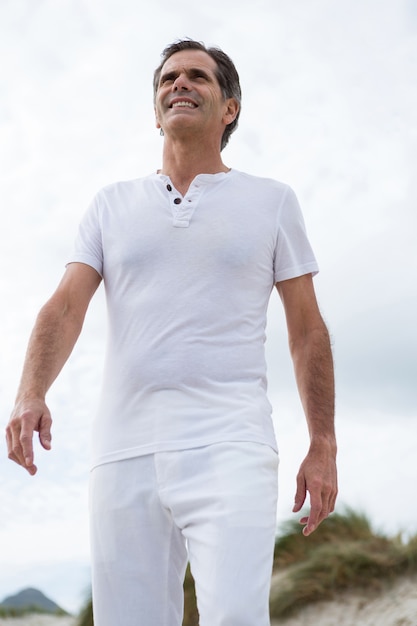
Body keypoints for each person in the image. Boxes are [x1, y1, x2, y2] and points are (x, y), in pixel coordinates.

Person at [6, 39, 337, 626]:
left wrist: (323, 443)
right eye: (168, 79)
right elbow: (63, 309)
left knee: (236, 617)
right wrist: (30, 391)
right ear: (156, 110)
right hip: (122, 452)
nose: (179, 84)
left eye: (197, 77)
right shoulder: (111, 205)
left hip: (230, 442)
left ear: (229, 107)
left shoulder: (271, 202)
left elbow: (307, 329)